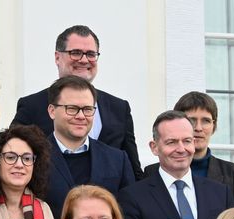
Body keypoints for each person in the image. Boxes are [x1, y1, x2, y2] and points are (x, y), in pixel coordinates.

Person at [12, 25, 144, 180]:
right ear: (57, 57)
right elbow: (13, 156)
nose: (83, 60)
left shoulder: (119, 108)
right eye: (75, 53)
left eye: (90, 54)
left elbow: (133, 170)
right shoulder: (31, 106)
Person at [119, 110, 234, 219]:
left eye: (187, 141)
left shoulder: (221, 194)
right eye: (171, 142)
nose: (181, 149)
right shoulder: (132, 197)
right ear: (154, 147)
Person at [43, 75, 135, 219]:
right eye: (72, 108)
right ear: (52, 111)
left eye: (87, 109)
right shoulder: (33, 158)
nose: (80, 116)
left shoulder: (117, 159)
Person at [143, 91, 234, 200]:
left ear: (214, 126)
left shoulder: (233, 174)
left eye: (206, 121)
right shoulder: (152, 172)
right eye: (191, 120)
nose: (198, 128)